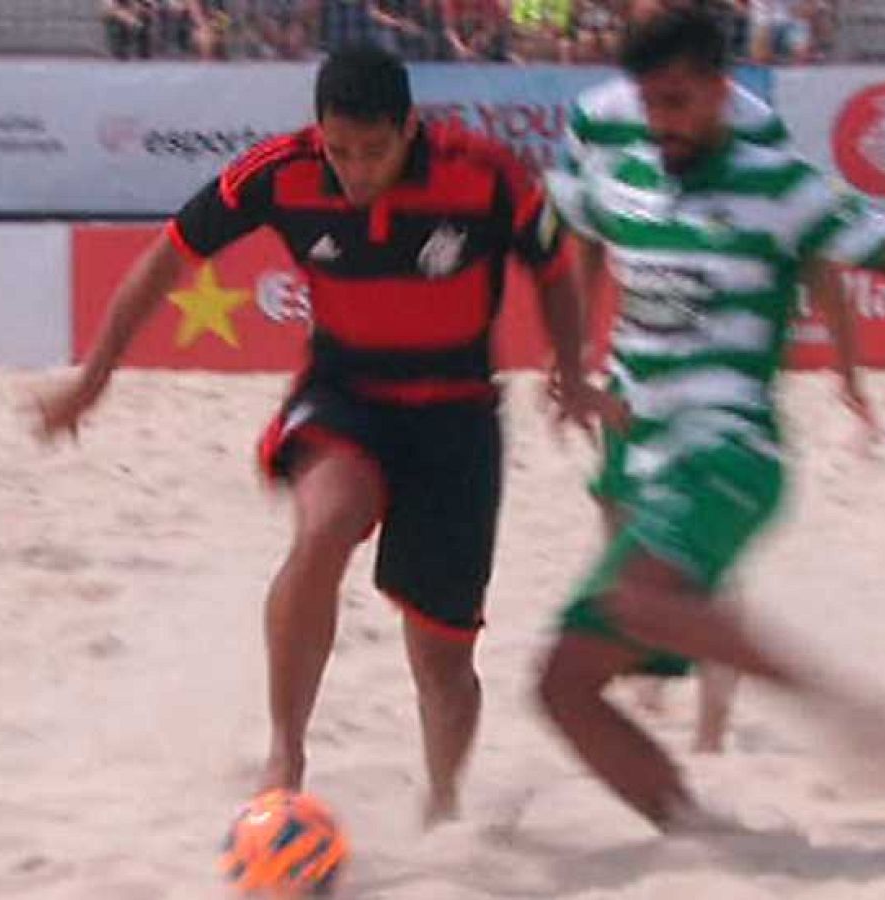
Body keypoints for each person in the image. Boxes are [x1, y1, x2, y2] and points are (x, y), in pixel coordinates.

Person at [35, 45, 590, 825]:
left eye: (374, 151)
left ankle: (443, 802)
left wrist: (571, 367)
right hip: (347, 394)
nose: (355, 170)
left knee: (441, 651)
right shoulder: (279, 171)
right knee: (325, 524)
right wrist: (95, 376)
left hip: (457, 414)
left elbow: (556, 268)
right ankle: (286, 752)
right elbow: (169, 257)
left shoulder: (486, 173)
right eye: (340, 150)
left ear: (410, 129)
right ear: (318, 131)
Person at [535, 4, 885, 830]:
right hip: (638, 444)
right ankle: (700, 838)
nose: (666, 122)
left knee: (643, 600)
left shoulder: (784, 184)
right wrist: (573, 367)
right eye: (652, 104)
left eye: (682, 102)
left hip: (727, 449)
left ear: (724, 93)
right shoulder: (619, 168)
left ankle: (852, 716)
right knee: (562, 686)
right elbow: (552, 242)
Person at [555, 0, 876, 755]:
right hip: (636, 358)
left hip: (718, 366)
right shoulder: (596, 115)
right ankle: (649, 666)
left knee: (700, 539)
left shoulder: (750, 120)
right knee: (623, 517)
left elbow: (804, 243)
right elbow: (587, 240)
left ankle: (712, 726)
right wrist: (569, 356)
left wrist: (847, 366)